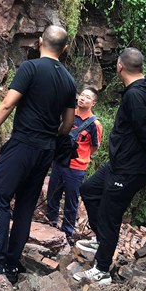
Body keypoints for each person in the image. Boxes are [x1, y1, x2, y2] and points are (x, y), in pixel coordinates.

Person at [0, 25, 77, 284]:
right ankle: (11, 264)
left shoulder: (30, 68)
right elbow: (67, 124)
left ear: (40, 42)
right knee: (26, 207)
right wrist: (52, 134)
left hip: (22, 145)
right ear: (64, 50)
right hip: (45, 151)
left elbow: (8, 103)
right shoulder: (69, 82)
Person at [73, 48, 146, 285]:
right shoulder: (142, 90)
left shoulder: (135, 95)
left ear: (119, 66)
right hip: (120, 163)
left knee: (110, 214)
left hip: (129, 167)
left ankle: (102, 269)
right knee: (90, 190)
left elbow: (143, 131)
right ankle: (103, 241)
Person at [46, 87, 102, 244]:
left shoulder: (94, 124)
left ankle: (67, 232)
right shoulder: (69, 114)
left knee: (71, 200)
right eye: (82, 95)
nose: (82, 98)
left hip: (77, 167)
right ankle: (50, 222)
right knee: (52, 194)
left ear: (93, 103)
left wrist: (83, 156)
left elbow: (94, 146)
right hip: (60, 161)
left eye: (87, 97)